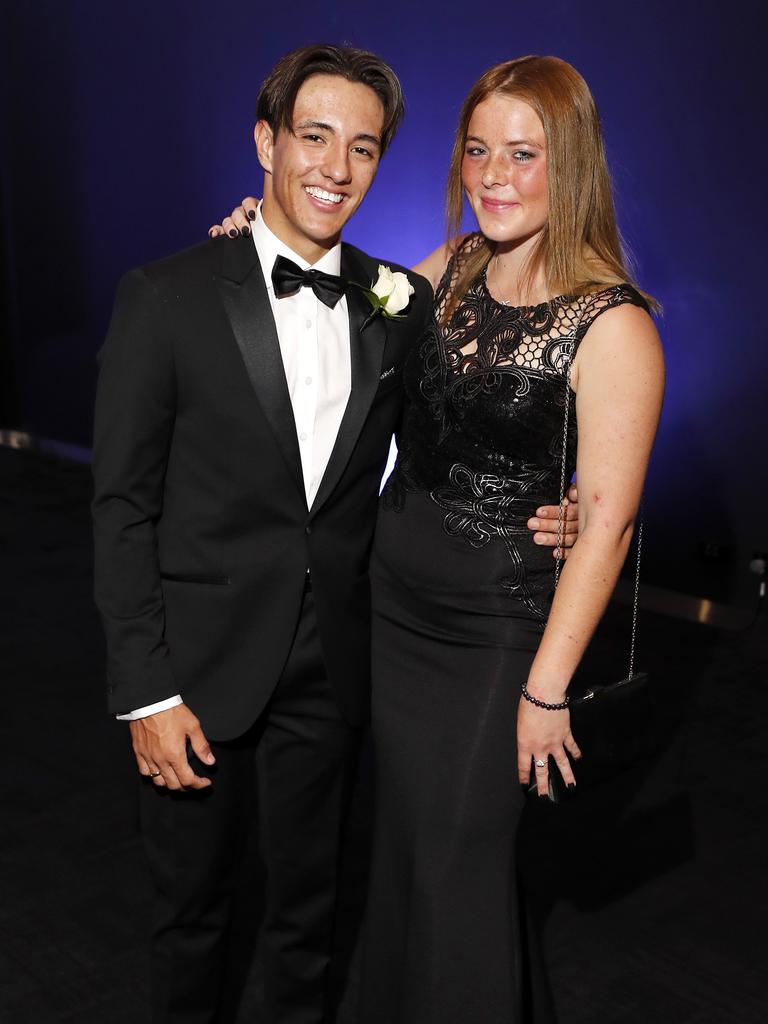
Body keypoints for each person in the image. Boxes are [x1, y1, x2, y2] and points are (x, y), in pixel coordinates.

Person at [92, 44, 575, 1024]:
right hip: (196, 666)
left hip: (336, 664)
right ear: (267, 141)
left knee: (307, 920)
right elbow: (121, 508)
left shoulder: (395, 302)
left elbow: (465, 429)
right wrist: (145, 687)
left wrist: (562, 503)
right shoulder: (167, 296)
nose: (335, 168)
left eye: (362, 148)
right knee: (191, 919)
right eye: (313, 138)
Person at [214, 53, 665, 1023]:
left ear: (571, 163)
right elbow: (342, 309)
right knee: (407, 851)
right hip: (392, 609)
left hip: (496, 635)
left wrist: (548, 690)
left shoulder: (611, 324)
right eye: (476, 151)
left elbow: (611, 521)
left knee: (458, 860)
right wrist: (263, 243)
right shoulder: (447, 271)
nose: (494, 175)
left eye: (523, 154)